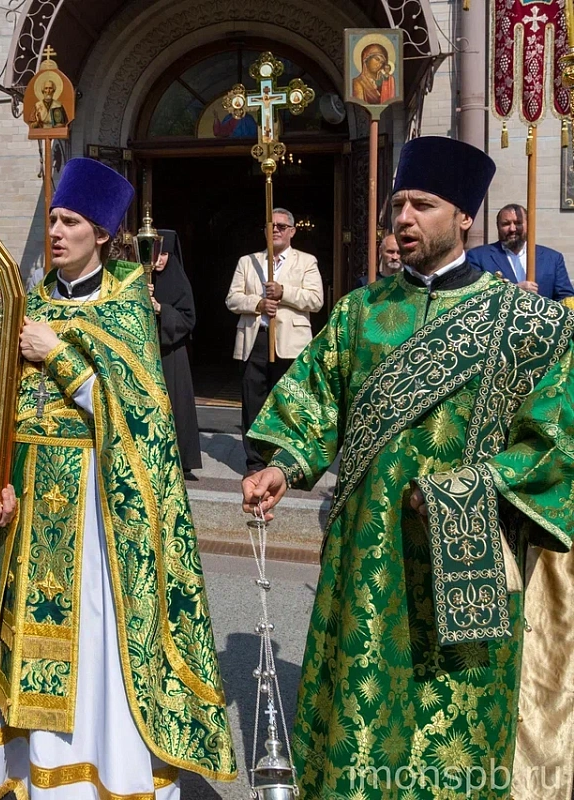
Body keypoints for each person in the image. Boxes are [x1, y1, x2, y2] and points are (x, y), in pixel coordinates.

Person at [241, 136, 574, 799]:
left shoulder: (529, 324)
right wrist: (285, 464)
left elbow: (555, 442)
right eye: (398, 205)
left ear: (465, 217)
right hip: (367, 556)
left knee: (457, 727)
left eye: (423, 205)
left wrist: (470, 486)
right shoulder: (361, 313)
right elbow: (316, 399)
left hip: (469, 562)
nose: (404, 219)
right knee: (364, 713)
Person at [0, 158, 235, 798]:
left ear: (102, 232)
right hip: (33, 500)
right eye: (54, 221)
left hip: (101, 508)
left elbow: (140, 421)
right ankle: (35, 774)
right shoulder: (29, 304)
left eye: (70, 222)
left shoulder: (127, 308)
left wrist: (59, 356)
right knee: (31, 636)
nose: (57, 232)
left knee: (99, 633)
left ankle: (109, 773)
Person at [225, 208, 323, 474]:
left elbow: (316, 300)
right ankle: (256, 462)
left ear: (292, 231)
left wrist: (284, 292)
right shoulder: (248, 262)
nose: (276, 230)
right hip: (256, 340)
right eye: (272, 226)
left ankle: (286, 461)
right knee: (253, 403)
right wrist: (258, 303)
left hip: (290, 343)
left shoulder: (306, 261)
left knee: (288, 404)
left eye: (282, 226)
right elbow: (232, 299)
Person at [151, 227, 202, 477]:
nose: (158, 260)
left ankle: (181, 460)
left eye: (163, 255)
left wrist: (161, 309)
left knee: (176, 405)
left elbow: (188, 318)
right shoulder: (140, 278)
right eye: (154, 255)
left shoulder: (179, 281)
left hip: (172, 354)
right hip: (147, 352)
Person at [466, 203, 574, 302]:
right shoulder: (478, 257)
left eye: (518, 223)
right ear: (498, 226)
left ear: (528, 225)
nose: (512, 229)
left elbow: (565, 298)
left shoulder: (552, 258)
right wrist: (513, 290)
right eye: (506, 224)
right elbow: (473, 296)